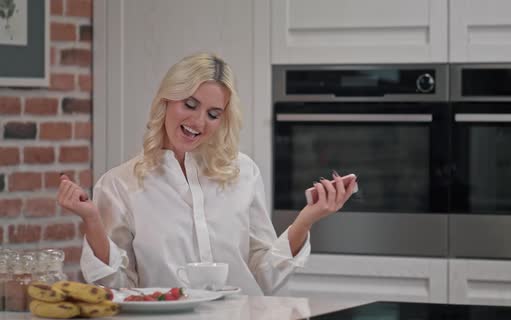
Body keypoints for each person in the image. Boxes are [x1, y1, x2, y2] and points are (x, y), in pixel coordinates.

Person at [56, 53, 357, 296]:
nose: (199, 121)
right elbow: (117, 289)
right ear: (167, 100)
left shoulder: (243, 172)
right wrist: (92, 220)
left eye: (213, 114)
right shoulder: (119, 184)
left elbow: (262, 278)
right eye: (190, 104)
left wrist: (306, 219)